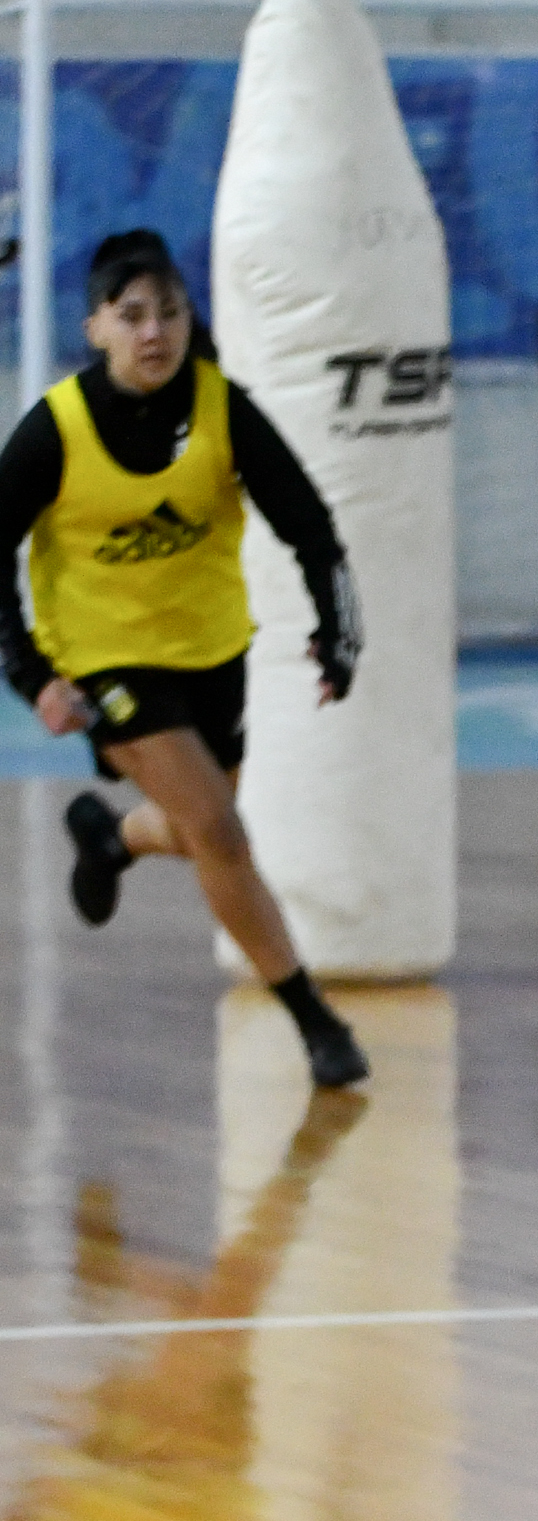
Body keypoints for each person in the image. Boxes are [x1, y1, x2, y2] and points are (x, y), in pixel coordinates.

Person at [0, 229, 369, 1089]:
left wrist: (338, 630)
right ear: (94, 327)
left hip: (209, 654)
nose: (153, 332)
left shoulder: (222, 408)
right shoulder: (56, 430)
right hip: (104, 664)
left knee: (202, 828)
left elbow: (311, 526)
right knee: (222, 831)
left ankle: (112, 838)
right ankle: (314, 1021)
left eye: (169, 311)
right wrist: (31, 677)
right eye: (131, 316)